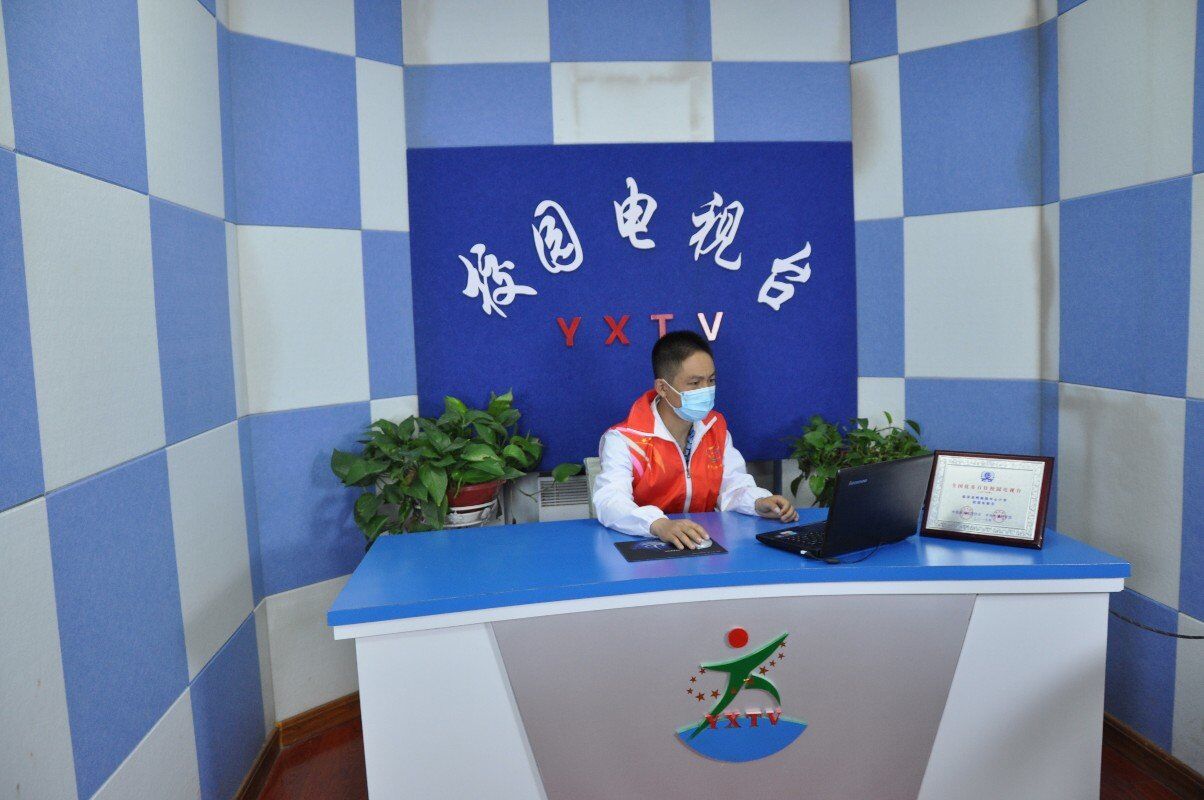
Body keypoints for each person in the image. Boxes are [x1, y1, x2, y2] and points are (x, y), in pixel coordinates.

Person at [593, 330, 799, 549]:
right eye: (694, 383)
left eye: (711, 380)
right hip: (644, 547)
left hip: (703, 544)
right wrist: (658, 524)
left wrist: (758, 501)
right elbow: (610, 501)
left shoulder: (715, 427)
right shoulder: (624, 440)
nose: (706, 390)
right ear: (663, 388)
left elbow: (732, 486)